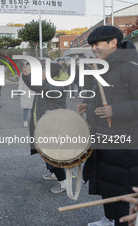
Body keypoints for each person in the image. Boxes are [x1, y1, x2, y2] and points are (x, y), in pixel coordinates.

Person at [77, 26, 138, 226]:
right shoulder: (104, 66)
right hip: (104, 139)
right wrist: (89, 106)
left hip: (124, 145)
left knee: (121, 193)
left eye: (97, 44)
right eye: (91, 45)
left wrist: (116, 111)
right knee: (107, 186)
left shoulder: (131, 67)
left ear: (113, 43)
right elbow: (106, 98)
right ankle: (108, 219)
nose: (93, 48)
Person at [22, 62, 69, 194]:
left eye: (44, 70)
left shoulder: (60, 85)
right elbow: (35, 86)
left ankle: (63, 182)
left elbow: (46, 88)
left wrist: (31, 75)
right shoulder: (48, 83)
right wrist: (26, 76)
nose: (41, 72)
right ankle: (55, 173)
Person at [18, 61, 34, 127]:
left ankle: (33, 121)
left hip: (33, 92)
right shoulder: (22, 74)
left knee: (33, 108)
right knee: (25, 108)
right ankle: (25, 121)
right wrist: (19, 91)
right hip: (25, 92)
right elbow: (21, 83)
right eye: (27, 66)